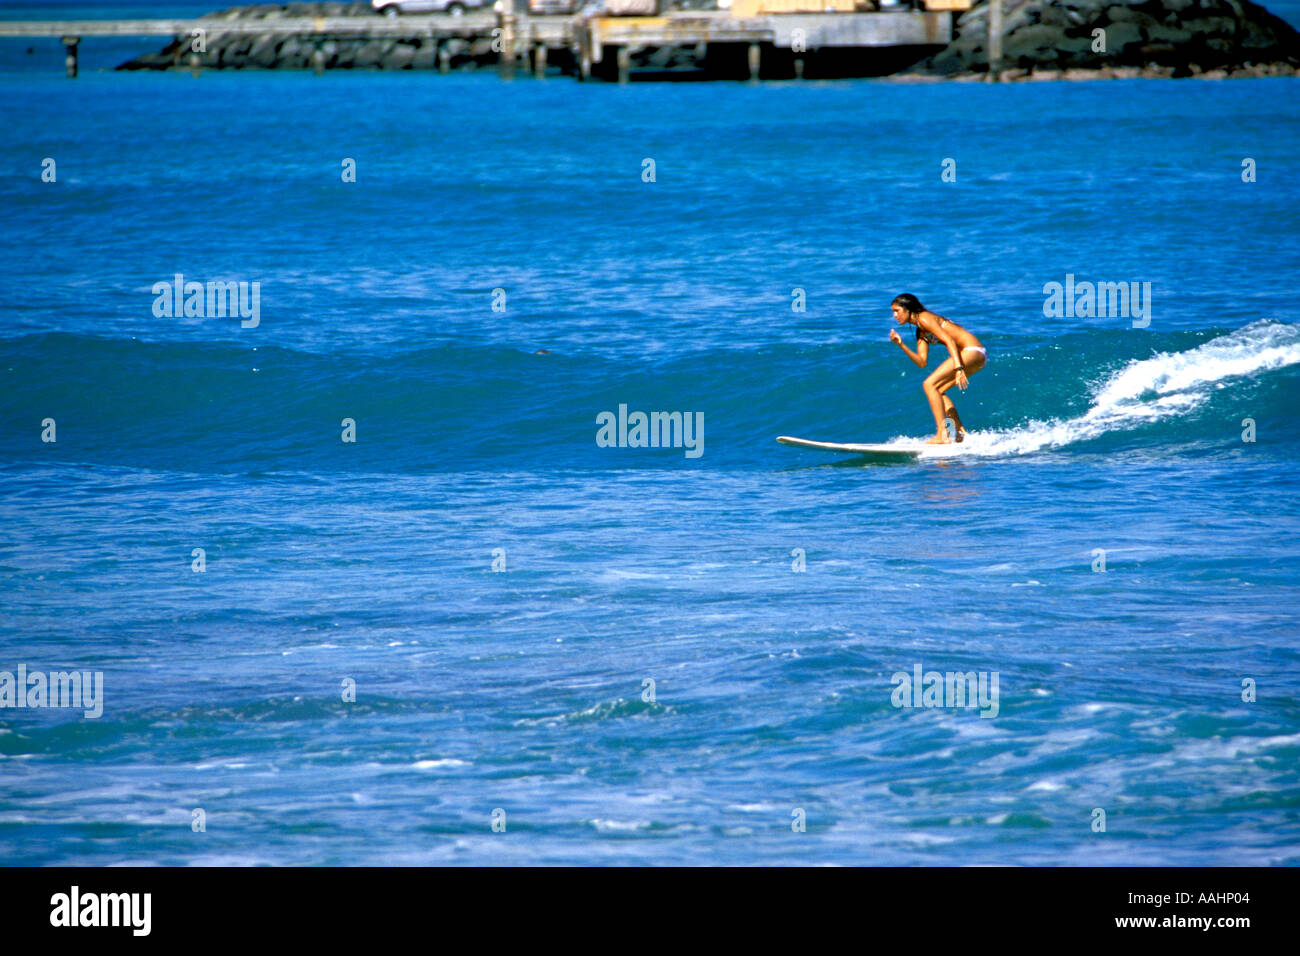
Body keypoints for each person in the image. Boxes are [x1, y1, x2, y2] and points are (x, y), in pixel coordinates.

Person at [887, 294, 986, 444]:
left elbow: (949, 340)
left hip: (972, 350)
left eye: (897, 310)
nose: (895, 315)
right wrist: (901, 344)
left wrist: (959, 368)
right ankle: (958, 433)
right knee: (938, 390)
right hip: (974, 355)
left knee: (929, 384)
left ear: (908, 309)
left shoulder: (924, 318)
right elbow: (922, 362)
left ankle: (942, 434)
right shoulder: (920, 331)